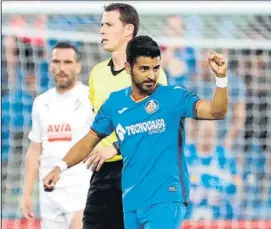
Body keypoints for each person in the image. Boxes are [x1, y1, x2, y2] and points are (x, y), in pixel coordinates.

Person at [43, 35, 228, 229]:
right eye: (144, 68)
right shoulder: (115, 103)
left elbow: (217, 112)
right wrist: (59, 167)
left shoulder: (173, 97)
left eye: (155, 68)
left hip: (165, 197)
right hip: (131, 202)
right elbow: (89, 140)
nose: (151, 75)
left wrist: (221, 79)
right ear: (128, 67)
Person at [83, 3, 167, 229]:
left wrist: (118, 147)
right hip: (103, 172)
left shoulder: (152, 73)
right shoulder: (97, 73)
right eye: (101, 24)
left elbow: (157, 126)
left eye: (109, 25)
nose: (102, 30)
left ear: (128, 30)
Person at [20, 42, 93, 229]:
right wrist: (27, 193)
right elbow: (35, 148)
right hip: (49, 196)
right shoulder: (41, 102)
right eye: (57, 62)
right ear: (50, 66)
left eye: (68, 62)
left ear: (78, 66)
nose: (62, 68)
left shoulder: (89, 98)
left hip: (81, 190)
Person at [184, 120, 242, 220]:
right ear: (197, 130)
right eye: (205, 132)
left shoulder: (225, 156)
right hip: (188, 219)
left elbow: (238, 185)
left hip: (219, 218)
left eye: (210, 132)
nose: (208, 134)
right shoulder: (185, 154)